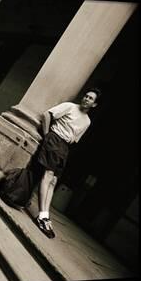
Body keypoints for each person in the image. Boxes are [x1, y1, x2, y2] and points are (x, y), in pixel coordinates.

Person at [34, 88, 101, 238]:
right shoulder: (70, 106)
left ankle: (45, 214)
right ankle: (42, 215)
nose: (86, 99)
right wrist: (47, 136)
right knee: (48, 175)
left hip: (64, 148)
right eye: (86, 96)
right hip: (54, 139)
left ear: (94, 104)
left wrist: (68, 140)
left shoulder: (88, 122)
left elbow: (75, 139)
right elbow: (47, 115)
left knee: (54, 181)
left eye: (90, 98)